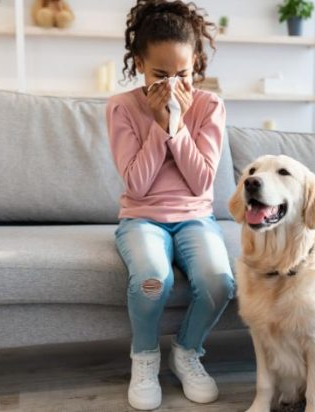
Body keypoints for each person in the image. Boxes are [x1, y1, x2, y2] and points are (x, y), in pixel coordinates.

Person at [105, 0, 234, 409]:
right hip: (141, 218)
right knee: (151, 280)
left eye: (182, 74)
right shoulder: (122, 107)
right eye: (160, 75)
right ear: (139, 63)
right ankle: (144, 358)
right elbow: (138, 186)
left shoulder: (209, 106)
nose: (173, 84)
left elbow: (201, 182)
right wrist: (159, 126)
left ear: (195, 62)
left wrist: (176, 127)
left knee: (219, 281)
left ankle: (187, 351)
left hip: (196, 217)